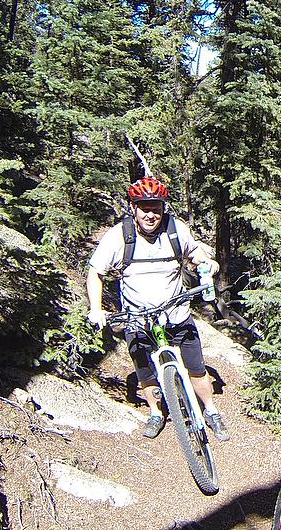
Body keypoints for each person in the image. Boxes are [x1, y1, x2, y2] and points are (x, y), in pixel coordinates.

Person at [86, 176, 230, 441]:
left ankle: (210, 410)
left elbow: (194, 254)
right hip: (138, 317)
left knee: (197, 367)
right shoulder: (120, 236)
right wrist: (96, 308)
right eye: (144, 207)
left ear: (163, 208)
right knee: (146, 372)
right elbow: (95, 272)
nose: (151, 214)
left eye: (156, 207)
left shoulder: (175, 230)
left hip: (175, 311)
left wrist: (205, 264)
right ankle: (156, 412)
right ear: (133, 208)